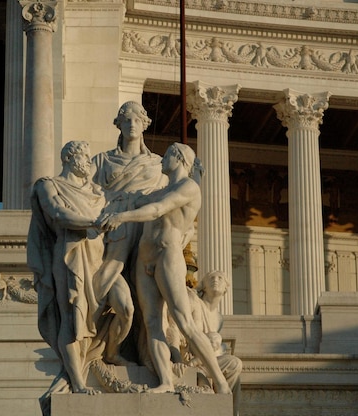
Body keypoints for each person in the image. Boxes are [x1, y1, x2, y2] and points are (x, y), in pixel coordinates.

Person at [98, 143, 231, 395]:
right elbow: (133, 199)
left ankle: (220, 382)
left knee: (183, 321)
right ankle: (165, 380)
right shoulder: (161, 189)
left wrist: (121, 218)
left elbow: (156, 210)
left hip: (167, 257)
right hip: (144, 260)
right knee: (151, 323)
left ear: (179, 158)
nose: (162, 159)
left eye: (168, 154)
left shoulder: (188, 187)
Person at [28, 141, 106, 410]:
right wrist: (95, 222)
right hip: (69, 253)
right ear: (71, 158)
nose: (89, 160)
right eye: (85, 155)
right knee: (72, 314)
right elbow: (58, 213)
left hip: (99, 256)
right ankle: (78, 381)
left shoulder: (96, 190)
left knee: (121, 306)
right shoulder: (48, 185)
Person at [90, 101, 167, 366]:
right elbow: (82, 189)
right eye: (126, 120)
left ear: (145, 124)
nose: (132, 124)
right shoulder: (101, 161)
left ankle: (150, 354)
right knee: (110, 276)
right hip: (115, 230)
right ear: (119, 125)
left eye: (136, 119)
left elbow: (170, 202)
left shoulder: (158, 165)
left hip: (145, 229)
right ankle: (89, 326)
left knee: (149, 292)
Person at [169, 271, 243, 416]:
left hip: (204, 363)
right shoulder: (194, 301)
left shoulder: (219, 318)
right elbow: (175, 327)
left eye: (220, 278)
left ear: (226, 288)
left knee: (235, 364)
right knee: (206, 388)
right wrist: (177, 359)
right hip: (188, 360)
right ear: (203, 286)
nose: (216, 280)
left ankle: (233, 411)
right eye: (211, 278)